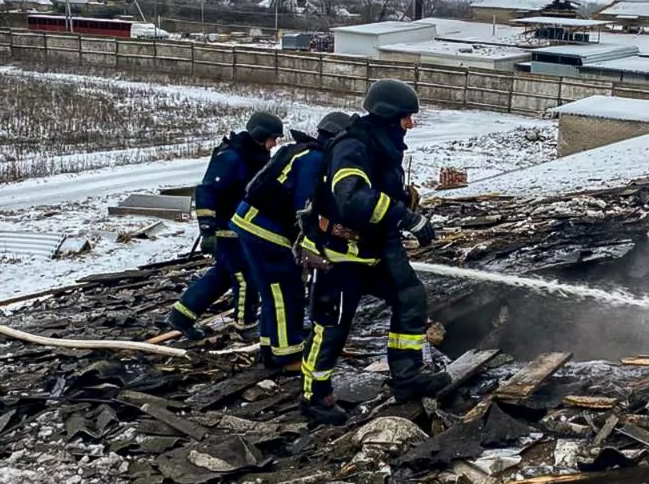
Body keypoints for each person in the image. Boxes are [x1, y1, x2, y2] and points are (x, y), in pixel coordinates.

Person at [295, 79, 450, 424]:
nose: (410, 125)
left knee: (410, 296)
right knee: (332, 326)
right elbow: (351, 200)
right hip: (338, 254)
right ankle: (315, 397)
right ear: (387, 115)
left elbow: (380, 194)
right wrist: (406, 216)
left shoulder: (382, 145)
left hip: (375, 249)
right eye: (406, 117)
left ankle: (407, 377)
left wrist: (403, 207)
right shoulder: (353, 145)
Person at [230, 111, 353, 371]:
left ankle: (270, 347)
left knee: (270, 290)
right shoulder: (315, 160)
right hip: (265, 229)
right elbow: (306, 208)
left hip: (252, 223)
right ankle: (288, 355)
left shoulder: (304, 151)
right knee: (286, 290)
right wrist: (326, 237)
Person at [167, 111, 283, 340]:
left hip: (244, 228)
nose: (274, 144)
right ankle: (246, 325)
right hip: (228, 230)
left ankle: (182, 315)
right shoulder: (231, 157)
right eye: (272, 138)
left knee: (222, 275)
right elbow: (207, 190)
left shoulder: (256, 157)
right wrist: (207, 228)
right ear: (260, 135)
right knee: (246, 276)